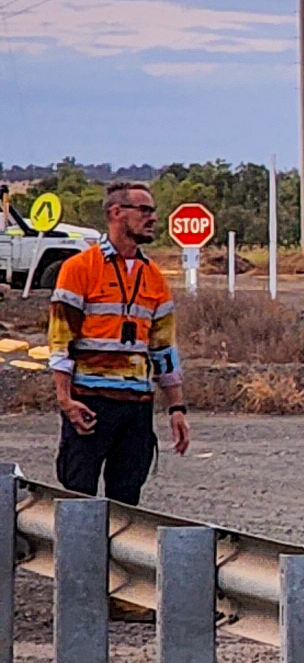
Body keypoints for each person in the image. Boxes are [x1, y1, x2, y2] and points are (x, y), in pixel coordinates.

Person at [49, 180, 190, 499]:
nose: (152, 218)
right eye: (144, 210)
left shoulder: (154, 277)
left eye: (153, 211)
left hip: (137, 406)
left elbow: (164, 349)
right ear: (116, 212)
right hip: (90, 400)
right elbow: (61, 342)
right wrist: (65, 400)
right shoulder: (78, 269)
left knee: (127, 498)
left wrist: (177, 408)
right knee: (77, 495)